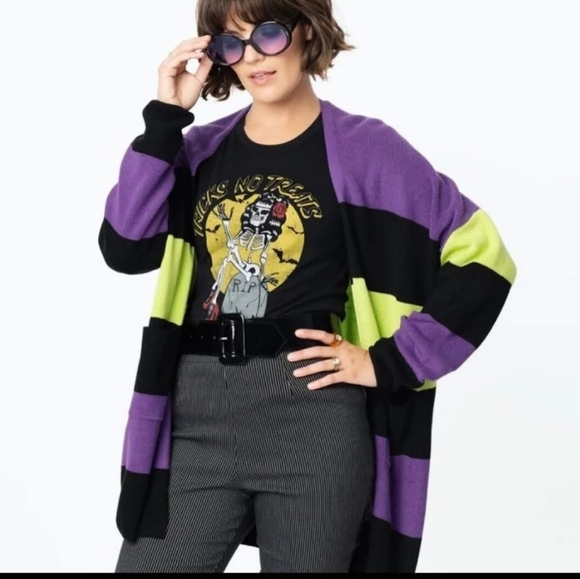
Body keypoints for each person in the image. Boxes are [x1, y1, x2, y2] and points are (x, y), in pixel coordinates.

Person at [98, 0, 517, 573]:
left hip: (312, 419)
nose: (252, 56)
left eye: (268, 33)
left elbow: (484, 256)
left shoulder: (367, 150)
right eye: (232, 42)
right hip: (196, 415)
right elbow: (124, 247)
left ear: (306, 31)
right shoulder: (199, 153)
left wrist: (389, 361)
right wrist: (167, 116)